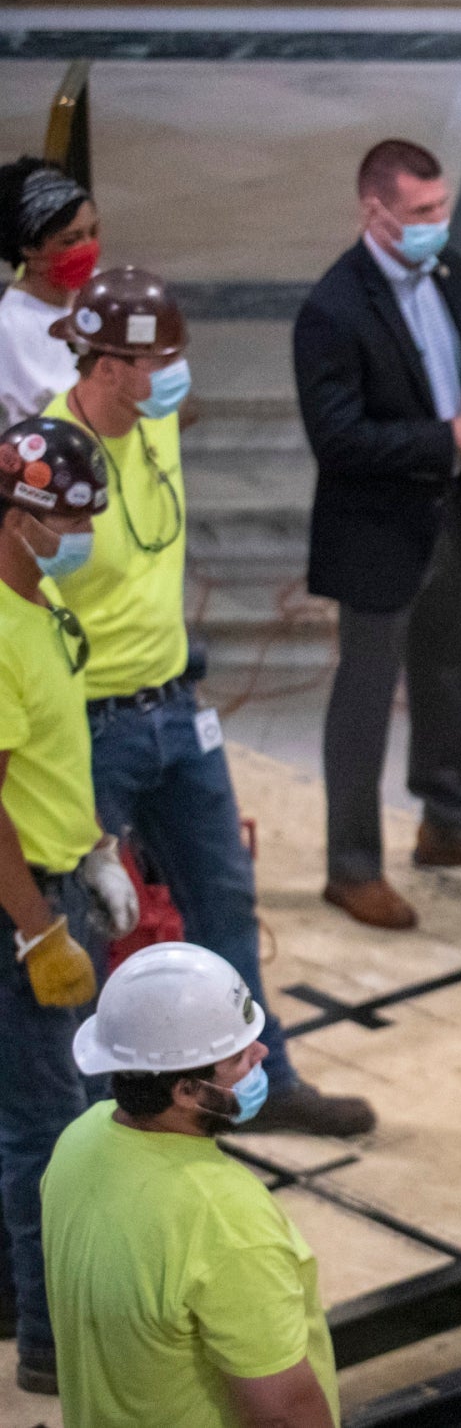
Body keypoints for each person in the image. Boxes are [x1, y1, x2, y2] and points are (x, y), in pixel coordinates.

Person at [48, 270, 373, 1138]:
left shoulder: (156, 421)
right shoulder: (51, 460)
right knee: (81, 931)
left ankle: (260, 1084)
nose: (178, 368)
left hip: (177, 710)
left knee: (224, 900)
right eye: (160, 356)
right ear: (106, 364)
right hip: (90, 727)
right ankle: (96, 1132)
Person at [294, 138, 461, 932]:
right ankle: (353, 867)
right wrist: (446, 439)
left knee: (448, 674)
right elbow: (338, 438)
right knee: (364, 697)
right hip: (378, 533)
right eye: (422, 212)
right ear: (376, 211)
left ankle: (449, 823)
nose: (438, 223)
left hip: (456, 514)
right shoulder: (332, 308)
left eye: (442, 207)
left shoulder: (451, 271)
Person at [47, 942, 337, 1428]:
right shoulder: (224, 1218)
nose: (262, 1054)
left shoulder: (82, 1139)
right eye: (240, 1057)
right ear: (185, 1091)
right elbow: (284, 1415)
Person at [0, 414, 121, 1395]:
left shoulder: (38, 598)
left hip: (55, 875)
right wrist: (39, 928)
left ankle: (17, 1299)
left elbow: (50, 756)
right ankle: (48, 1343)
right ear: (25, 513)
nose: (84, 534)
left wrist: (97, 850)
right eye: (74, 516)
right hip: (16, 907)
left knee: (34, 1111)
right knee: (48, 1125)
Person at [0, 158, 99, 423]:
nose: (88, 247)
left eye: (92, 232)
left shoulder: (98, 291)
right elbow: (67, 413)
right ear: (30, 249)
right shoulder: (12, 327)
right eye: (71, 239)